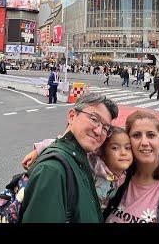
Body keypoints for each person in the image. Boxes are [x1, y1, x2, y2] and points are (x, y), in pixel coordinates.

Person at [20, 93, 119, 223]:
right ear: (72, 116)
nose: (99, 131)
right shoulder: (53, 170)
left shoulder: (81, 160)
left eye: (106, 128)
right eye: (94, 119)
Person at [22, 126, 133, 211]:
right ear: (102, 152)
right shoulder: (94, 163)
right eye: (115, 148)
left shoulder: (125, 174)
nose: (124, 153)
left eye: (128, 148)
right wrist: (38, 150)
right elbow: (66, 145)